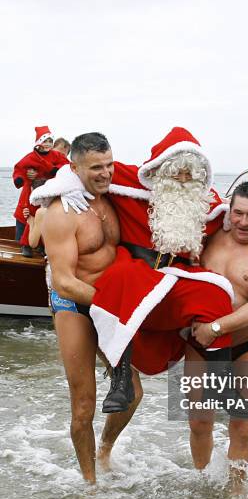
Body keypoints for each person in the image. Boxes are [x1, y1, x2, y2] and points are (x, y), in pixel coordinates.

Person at [32, 128, 235, 383]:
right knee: (84, 404)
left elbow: (240, 214)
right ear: (160, 169)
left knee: (215, 292)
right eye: (176, 172)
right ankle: (120, 380)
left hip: (153, 287)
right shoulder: (123, 187)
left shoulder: (204, 203)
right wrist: (66, 185)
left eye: (189, 174)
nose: (183, 179)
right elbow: (81, 167)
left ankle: (223, 379)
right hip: (96, 292)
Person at [41, 133, 143, 484]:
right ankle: (90, 484)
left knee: (132, 391)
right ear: (74, 167)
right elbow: (65, 280)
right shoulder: (61, 212)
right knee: (84, 403)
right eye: (96, 167)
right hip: (73, 304)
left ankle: (105, 448)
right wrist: (112, 305)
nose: (106, 173)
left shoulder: (116, 200)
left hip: (109, 305)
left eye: (110, 164)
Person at [190, 181, 248, 486]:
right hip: (200, 348)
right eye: (238, 213)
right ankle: (203, 482)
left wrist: (215, 328)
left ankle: (236, 490)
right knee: (200, 422)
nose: (244, 222)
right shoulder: (208, 239)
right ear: (229, 212)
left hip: (245, 345)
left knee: (242, 426)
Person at [13, 126, 69, 256]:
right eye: (46, 141)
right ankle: (25, 246)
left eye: (50, 141)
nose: (48, 145)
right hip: (30, 197)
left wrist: (53, 170)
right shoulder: (31, 157)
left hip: (48, 198)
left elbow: (66, 168)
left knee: (47, 221)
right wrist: (21, 178)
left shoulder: (58, 159)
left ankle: (43, 246)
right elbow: (19, 168)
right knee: (27, 217)